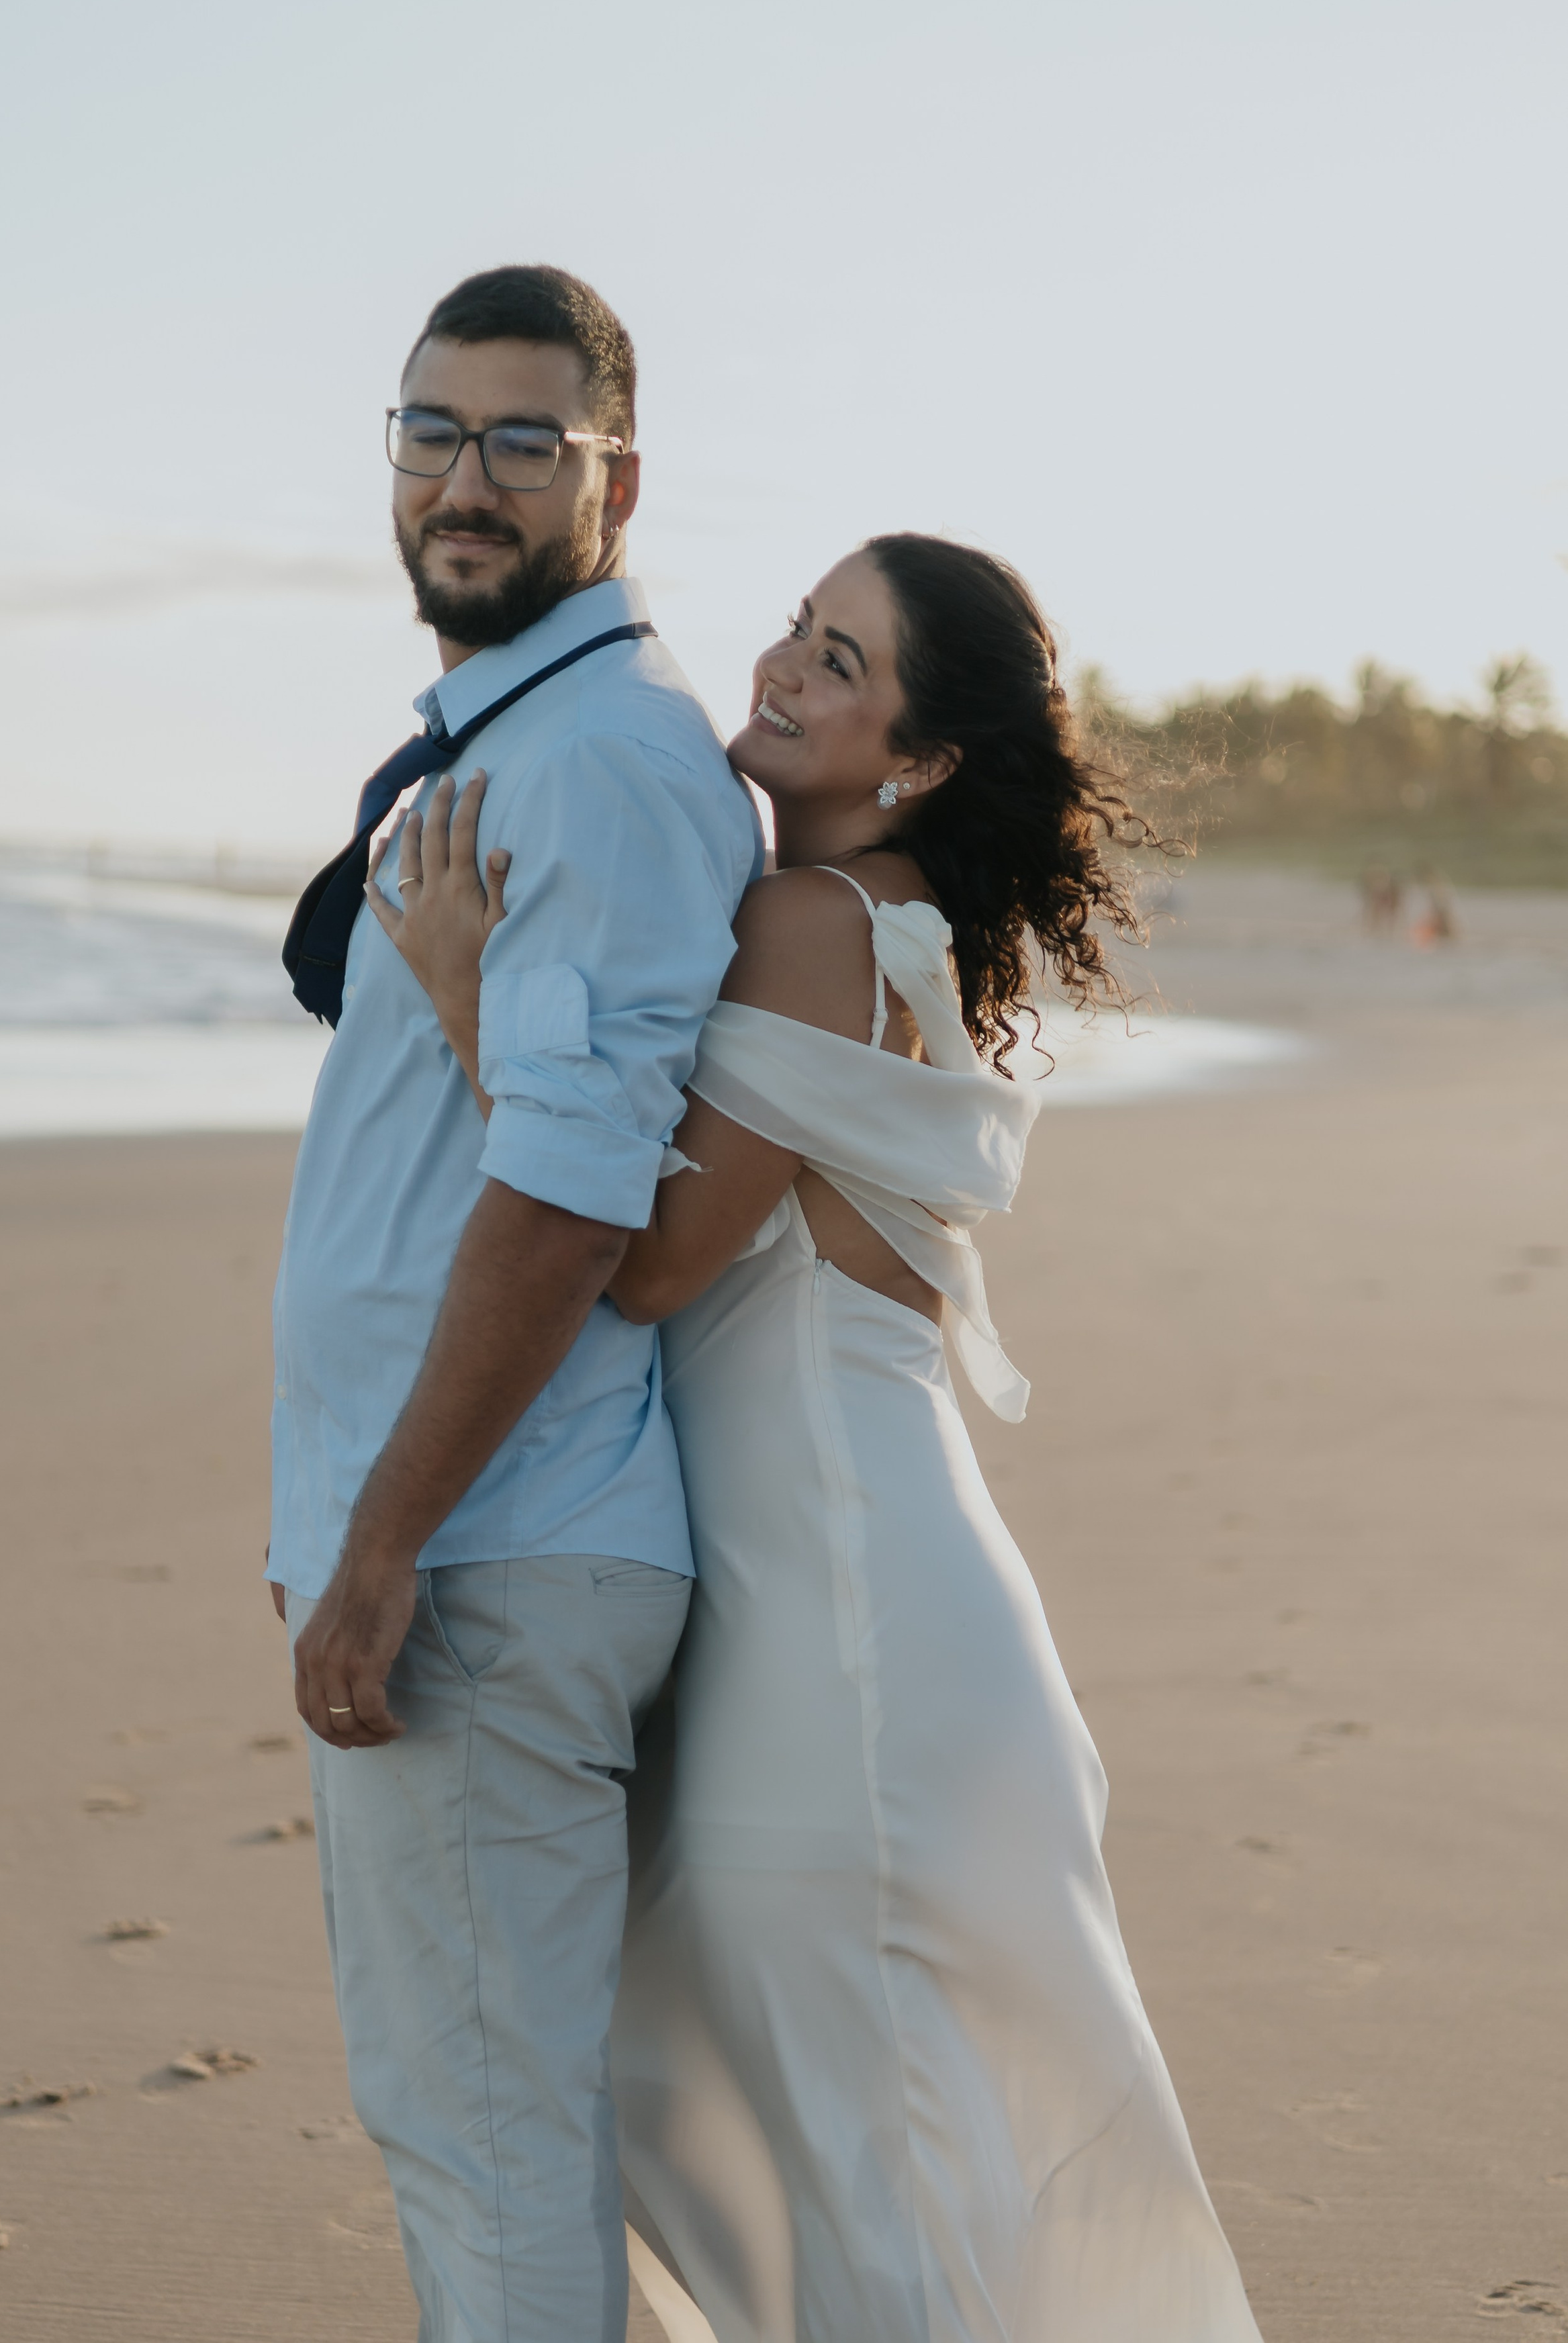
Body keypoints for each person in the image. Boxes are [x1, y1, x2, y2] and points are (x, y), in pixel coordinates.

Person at [381, 535, 1265, 2342]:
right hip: (886, 1602)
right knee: (881, 2149)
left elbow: (637, 1270)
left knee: (860, 2163)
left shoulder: (813, 925)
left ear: (920, 757)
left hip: (844, 1630)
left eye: (840, 661)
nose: (780, 667)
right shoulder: (888, 927)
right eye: (797, 626)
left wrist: (473, 1000)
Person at [267, 264, 763, 2343]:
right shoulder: (525, 741)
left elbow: (571, 1200)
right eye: (431, 433)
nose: (465, 482)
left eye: (521, 442)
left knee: (481, 2146)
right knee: (486, 2131)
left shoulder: (607, 766)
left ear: (613, 481)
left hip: (486, 1545)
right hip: (476, 1529)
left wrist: (384, 1543)